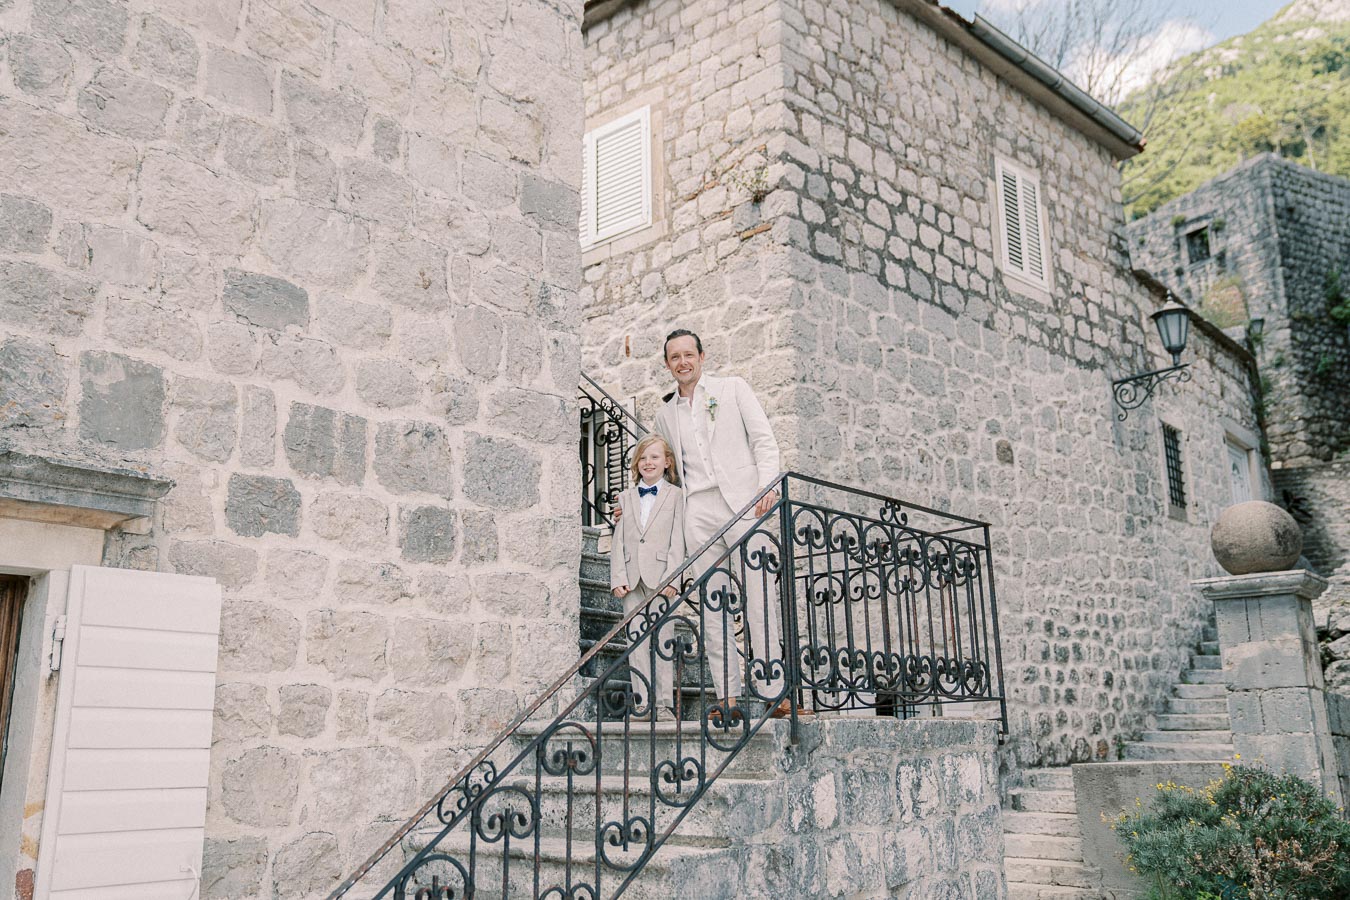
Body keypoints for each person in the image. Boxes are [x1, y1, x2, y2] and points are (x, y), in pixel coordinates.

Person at [652, 328, 794, 722]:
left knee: (760, 595)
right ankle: (728, 698)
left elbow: (764, 441)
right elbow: (664, 472)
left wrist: (767, 488)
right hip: (697, 510)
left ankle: (772, 691)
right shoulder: (664, 415)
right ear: (667, 365)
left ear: (702, 356)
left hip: (745, 503)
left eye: (688, 354)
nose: (682, 362)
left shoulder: (733, 389)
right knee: (713, 604)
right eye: (674, 357)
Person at [609, 433, 686, 722]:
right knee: (636, 641)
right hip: (631, 579)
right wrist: (617, 575)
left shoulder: (677, 496)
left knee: (663, 639)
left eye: (654, 457)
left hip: (662, 579)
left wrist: (674, 579)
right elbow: (620, 539)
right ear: (636, 463)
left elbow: (678, 540)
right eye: (643, 457)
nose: (648, 462)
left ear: (667, 462)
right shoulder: (625, 498)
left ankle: (664, 704)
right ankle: (642, 703)